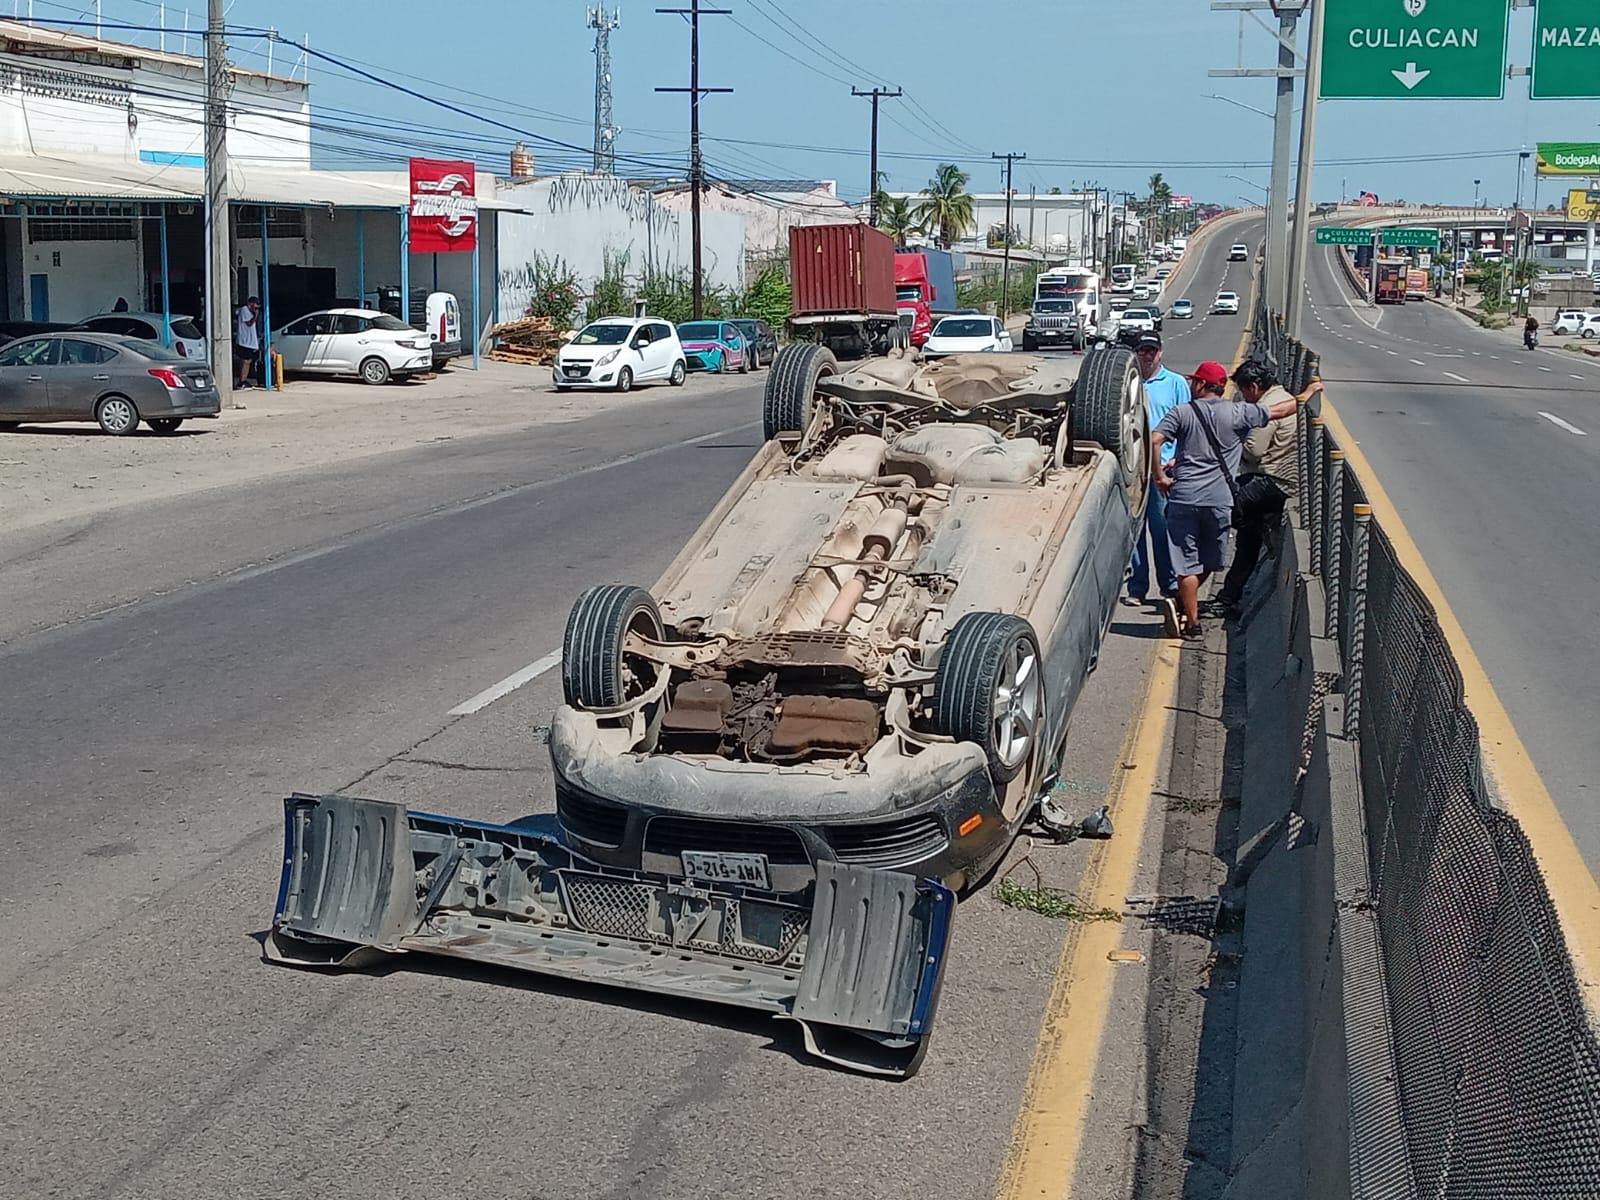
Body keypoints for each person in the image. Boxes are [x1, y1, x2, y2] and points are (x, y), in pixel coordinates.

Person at [1152, 360, 1299, 639]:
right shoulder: (1239, 412)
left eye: (1194, 380)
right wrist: (1306, 396)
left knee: (1185, 563)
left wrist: (1160, 476)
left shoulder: (1182, 412)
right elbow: (1282, 410)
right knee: (1211, 560)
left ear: (1201, 384)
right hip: (1220, 500)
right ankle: (1189, 611)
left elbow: (1155, 439)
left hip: (1183, 497)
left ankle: (1191, 619)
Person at [1214, 363, 1323, 615]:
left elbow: (1254, 450)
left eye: (1243, 392)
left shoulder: (1268, 408)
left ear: (1253, 387)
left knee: (1225, 504)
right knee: (1246, 539)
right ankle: (1230, 593)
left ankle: (1246, 538)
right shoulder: (1282, 397)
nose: (1242, 398)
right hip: (1278, 479)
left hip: (1274, 480)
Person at [1125, 332, 1189, 607]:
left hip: (1164, 469)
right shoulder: (1129, 384)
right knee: (1135, 531)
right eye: (1142, 351)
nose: (1147, 356)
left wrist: (1179, 459)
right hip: (1134, 469)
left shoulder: (1175, 383)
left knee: (1163, 528)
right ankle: (1137, 587)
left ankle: (1170, 584)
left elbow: (1188, 424)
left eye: (1152, 351)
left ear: (1160, 353)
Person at [235, 296, 260, 387]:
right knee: (246, 361)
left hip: (250, 342)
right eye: (255, 306)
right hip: (244, 341)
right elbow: (249, 323)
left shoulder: (249, 311)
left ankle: (244, 379)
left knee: (248, 361)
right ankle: (242, 380)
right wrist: (256, 315)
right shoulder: (244, 310)